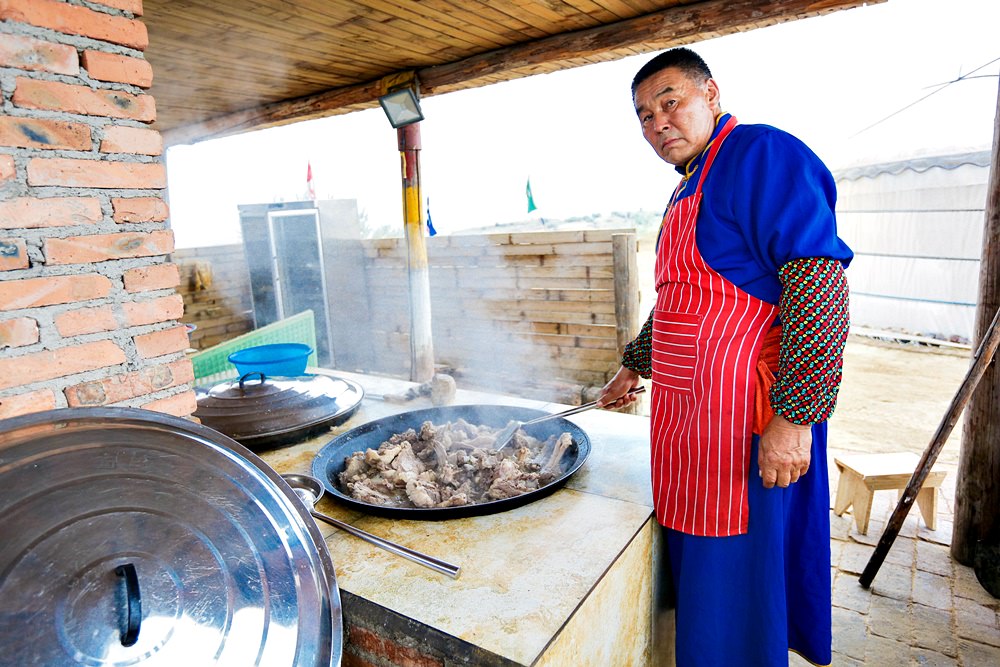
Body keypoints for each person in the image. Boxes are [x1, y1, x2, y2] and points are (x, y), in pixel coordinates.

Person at [597, 47, 852, 666]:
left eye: (670, 102)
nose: (658, 124)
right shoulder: (688, 188)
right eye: (644, 116)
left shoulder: (760, 155)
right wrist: (636, 362)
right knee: (705, 590)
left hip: (746, 424)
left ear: (711, 94)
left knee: (739, 588)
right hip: (689, 427)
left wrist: (795, 419)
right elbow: (682, 300)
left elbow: (819, 282)